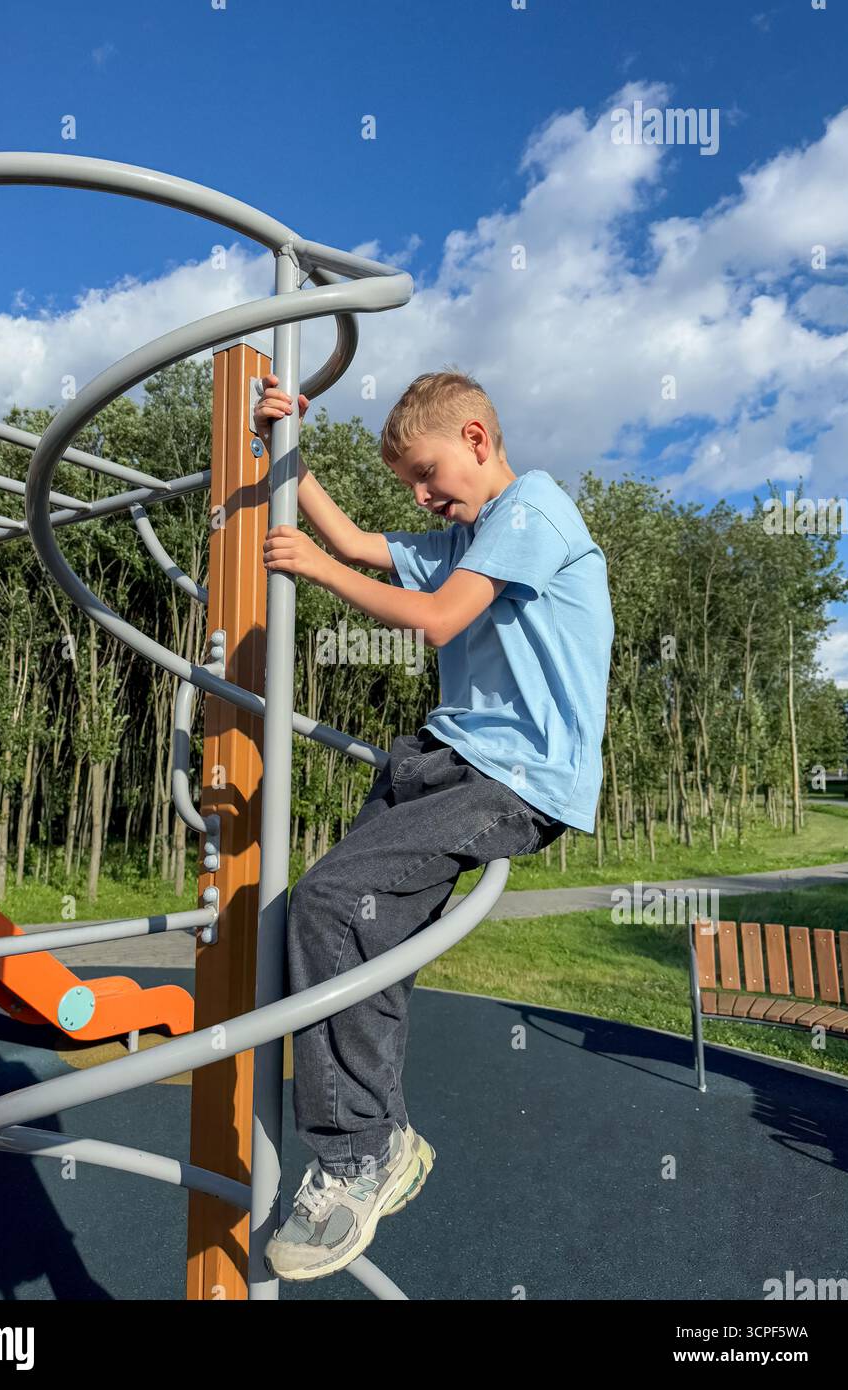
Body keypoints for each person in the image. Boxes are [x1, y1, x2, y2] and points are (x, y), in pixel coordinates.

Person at [253, 369, 614, 1281]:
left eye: (428, 474)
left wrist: (319, 570)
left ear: (478, 439)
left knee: (327, 902)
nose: (421, 497)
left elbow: (439, 616)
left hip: (514, 774)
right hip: (444, 755)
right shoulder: (468, 530)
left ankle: (355, 1155)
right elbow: (345, 533)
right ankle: (382, 1138)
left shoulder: (530, 508)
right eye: (412, 485)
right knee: (349, 928)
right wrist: (279, 441)